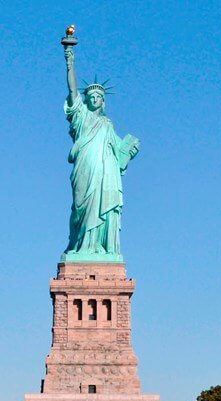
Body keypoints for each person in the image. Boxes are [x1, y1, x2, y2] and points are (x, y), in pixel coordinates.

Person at [62, 45, 140, 259]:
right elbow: (72, 90)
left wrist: (130, 150)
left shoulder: (107, 125)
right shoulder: (81, 117)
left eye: (98, 96)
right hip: (85, 168)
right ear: (85, 100)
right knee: (81, 208)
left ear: (103, 101)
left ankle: (101, 247)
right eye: (91, 96)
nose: (94, 98)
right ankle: (81, 246)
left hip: (106, 174)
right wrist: (70, 62)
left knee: (103, 206)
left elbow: (120, 157)